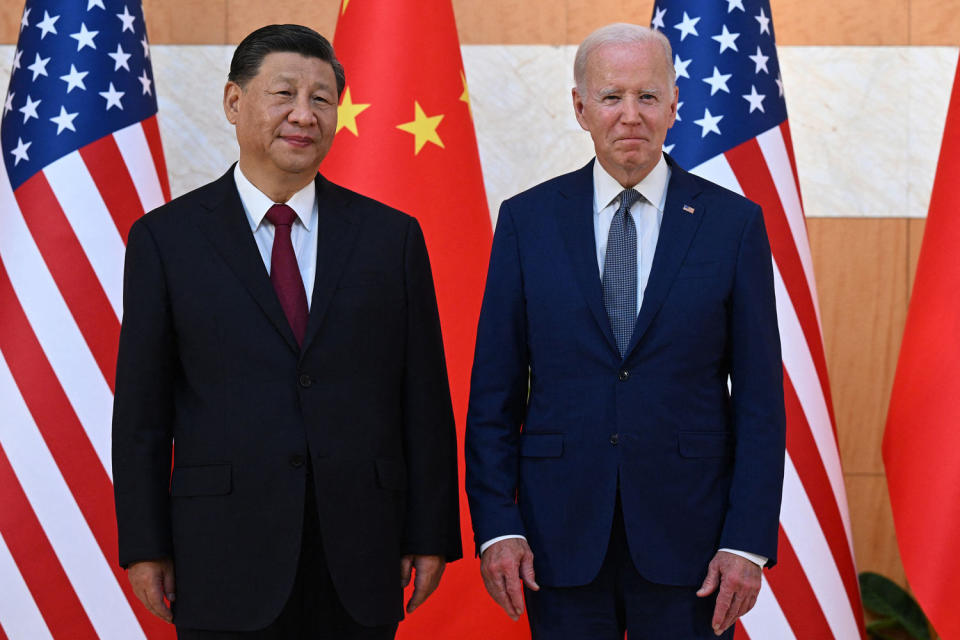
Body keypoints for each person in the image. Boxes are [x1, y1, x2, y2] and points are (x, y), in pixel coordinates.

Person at [112, 24, 461, 639]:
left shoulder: (391, 238)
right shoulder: (166, 240)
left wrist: (429, 532)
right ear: (233, 102)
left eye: (322, 99)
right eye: (284, 94)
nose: (304, 115)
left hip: (360, 552)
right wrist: (145, 545)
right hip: (220, 554)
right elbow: (142, 411)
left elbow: (424, 399)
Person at [465, 23, 786, 639]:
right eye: (612, 97)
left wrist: (747, 542)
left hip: (693, 543)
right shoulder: (527, 221)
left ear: (674, 105)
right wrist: (499, 526)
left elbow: (759, 402)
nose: (630, 115)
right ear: (581, 108)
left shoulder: (733, 225)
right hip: (556, 540)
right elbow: (493, 397)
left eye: (647, 96)